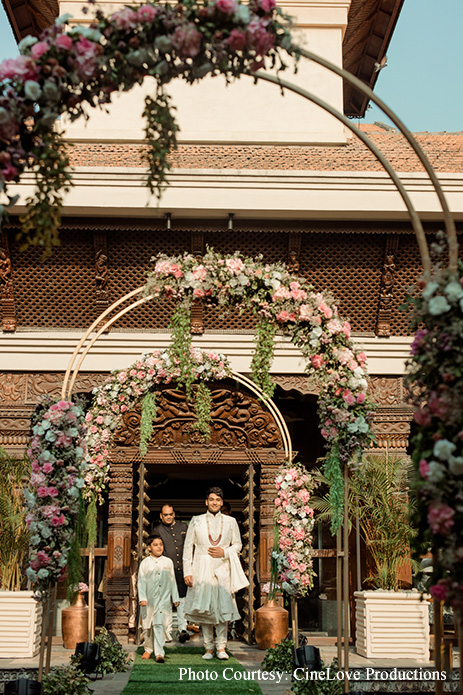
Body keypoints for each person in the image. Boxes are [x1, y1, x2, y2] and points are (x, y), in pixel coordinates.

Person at [183, 486, 248, 660]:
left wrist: (225, 552)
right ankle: (208, 648)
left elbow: (238, 545)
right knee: (205, 609)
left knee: (222, 608)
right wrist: (187, 572)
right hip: (201, 567)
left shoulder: (230, 522)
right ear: (206, 502)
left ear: (221, 502)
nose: (214, 502)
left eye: (218, 500)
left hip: (222, 567)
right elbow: (188, 547)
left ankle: (221, 647)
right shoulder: (196, 520)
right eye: (211, 499)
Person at [138, 535, 179, 663]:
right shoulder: (145, 563)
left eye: (160, 544)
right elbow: (141, 581)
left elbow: (172, 580)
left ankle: (159, 652)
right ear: (149, 548)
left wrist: (175, 597)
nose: (159, 547)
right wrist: (143, 598)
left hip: (164, 599)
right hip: (149, 600)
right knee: (148, 626)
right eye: (155, 545)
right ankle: (148, 649)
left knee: (159, 625)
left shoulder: (168, 562)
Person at [153, 503, 190, 643]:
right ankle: (167, 632)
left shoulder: (183, 527)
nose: (168, 517)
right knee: (166, 601)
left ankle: (183, 629)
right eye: (165, 515)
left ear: (174, 514)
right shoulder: (157, 530)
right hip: (165, 571)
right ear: (161, 516)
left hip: (182, 570)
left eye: (170, 514)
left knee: (181, 600)